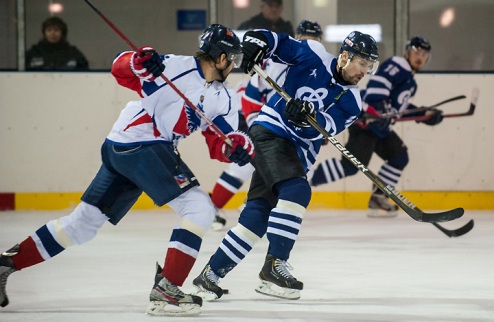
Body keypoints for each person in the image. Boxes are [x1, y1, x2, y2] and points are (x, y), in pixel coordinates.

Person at [0, 24, 254, 317]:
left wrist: (234, 147)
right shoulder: (172, 66)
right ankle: (167, 290)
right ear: (222, 58)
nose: (234, 65)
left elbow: (218, 142)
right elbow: (121, 70)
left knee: (82, 224)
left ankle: (6, 264)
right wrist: (137, 61)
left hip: (125, 147)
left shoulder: (223, 98)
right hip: (141, 145)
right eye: (232, 58)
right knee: (198, 207)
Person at [191, 29, 379, 300]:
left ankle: (209, 275)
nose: (365, 71)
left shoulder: (352, 101)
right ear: (345, 56)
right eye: (363, 63)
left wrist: (310, 116)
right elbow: (273, 40)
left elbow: (324, 130)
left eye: (370, 66)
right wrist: (257, 44)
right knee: (297, 191)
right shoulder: (313, 54)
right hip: (270, 132)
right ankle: (275, 264)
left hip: (297, 154)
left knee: (256, 216)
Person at [310, 36, 442, 218]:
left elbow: (397, 109)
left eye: (424, 54)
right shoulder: (397, 65)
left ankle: (378, 198)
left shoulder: (410, 82)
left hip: (380, 128)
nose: (419, 57)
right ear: (407, 52)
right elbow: (378, 85)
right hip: (367, 123)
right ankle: (308, 179)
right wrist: (377, 107)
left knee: (399, 157)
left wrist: (424, 114)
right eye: (416, 52)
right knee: (349, 167)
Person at [210, 20, 323, 231]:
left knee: (289, 169)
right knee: (244, 166)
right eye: (305, 36)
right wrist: (259, 128)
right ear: (298, 37)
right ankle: (212, 208)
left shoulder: (321, 67)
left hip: (287, 131)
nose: (310, 41)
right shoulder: (279, 60)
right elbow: (251, 96)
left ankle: (256, 205)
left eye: (314, 38)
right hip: (261, 122)